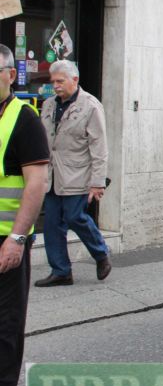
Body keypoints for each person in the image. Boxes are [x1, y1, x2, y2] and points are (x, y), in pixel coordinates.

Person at [0, 44, 49, 386]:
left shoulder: (24, 119)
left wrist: (17, 238)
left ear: (10, 75)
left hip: (6, 238)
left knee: (6, 321)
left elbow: (36, 183)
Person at [35, 60, 110, 287]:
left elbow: (99, 146)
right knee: (52, 224)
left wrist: (97, 182)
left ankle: (101, 253)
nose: (55, 86)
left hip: (78, 174)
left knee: (74, 217)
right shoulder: (49, 105)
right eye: (53, 82)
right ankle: (61, 271)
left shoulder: (90, 106)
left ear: (74, 80)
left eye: (60, 81)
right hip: (52, 174)